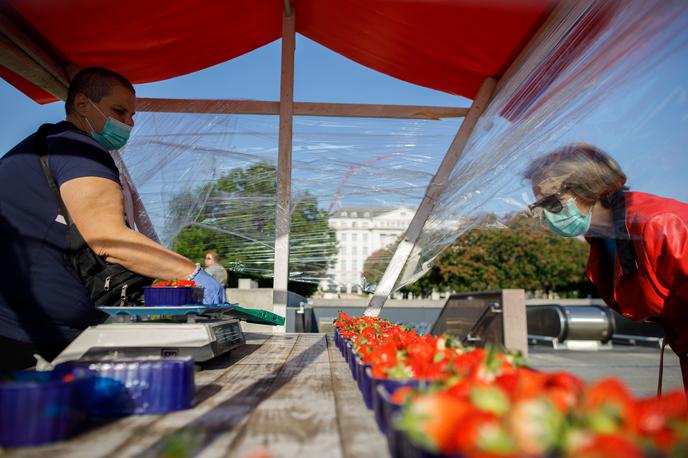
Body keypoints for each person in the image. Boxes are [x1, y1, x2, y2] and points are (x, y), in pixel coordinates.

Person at [0, 67, 225, 370]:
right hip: (25, 338)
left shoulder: (49, 144)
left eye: (132, 115)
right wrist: (192, 272)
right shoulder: (76, 148)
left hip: (32, 328)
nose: (128, 123)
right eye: (119, 111)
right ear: (82, 105)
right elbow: (108, 239)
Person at [524, 143, 688, 389]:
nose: (547, 217)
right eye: (541, 208)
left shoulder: (662, 225)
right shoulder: (602, 240)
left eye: (552, 204)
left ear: (590, 189)